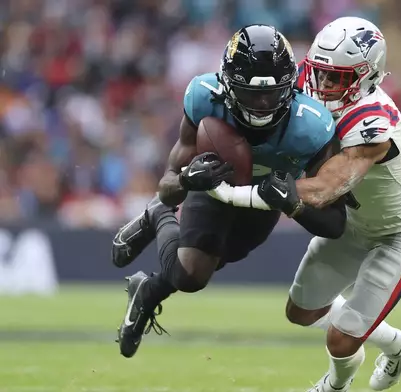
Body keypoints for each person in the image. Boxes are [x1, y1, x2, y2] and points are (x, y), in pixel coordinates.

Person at [209, 17, 401, 392]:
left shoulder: (373, 121)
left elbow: (326, 188)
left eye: (339, 78)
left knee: (341, 339)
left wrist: (231, 193)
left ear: (368, 77)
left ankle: (334, 386)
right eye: (321, 73)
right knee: (300, 311)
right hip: (354, 225)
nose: (325, 85)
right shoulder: (303, 81)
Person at [110, 24, 348, 359]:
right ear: (227, 85)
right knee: (192, 275)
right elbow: (168, 183)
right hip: (214, 187)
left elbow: (335, 224)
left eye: (272, 92)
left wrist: (294, 205)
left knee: (221, 256)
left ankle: (147, 291)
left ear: (290, 87)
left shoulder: (313, 126)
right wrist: (187, 180)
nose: (263, 104)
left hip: (264, 198)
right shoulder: (203, 98)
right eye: (252, 92)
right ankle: (157, 215)